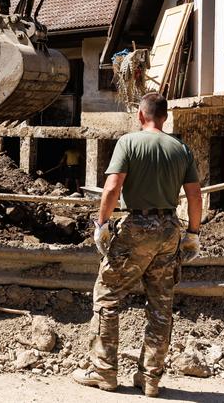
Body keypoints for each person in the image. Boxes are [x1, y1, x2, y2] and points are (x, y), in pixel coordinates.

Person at [72, 92, 203, 397]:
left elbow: (113, 187)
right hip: (170, 229)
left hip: (137, 228)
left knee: (107, 297)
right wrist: (193, 233)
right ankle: (151, 378)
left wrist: (102, 225)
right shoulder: (181, 148)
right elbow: (195, 196)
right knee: (161, 304)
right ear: (165, 117)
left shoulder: (128, 143)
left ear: (141, 115)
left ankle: (104, 372)